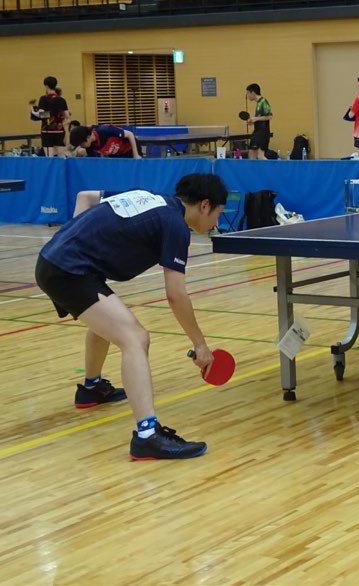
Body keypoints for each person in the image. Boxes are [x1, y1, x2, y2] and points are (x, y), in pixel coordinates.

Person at [34, 173, 228, 460]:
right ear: (204, 205)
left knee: (108, 323)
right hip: (69, 271)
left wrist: (73, 241)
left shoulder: (150, 198)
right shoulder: (175, 225)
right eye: (218, 214)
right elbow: (176, 295)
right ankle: (147, 436)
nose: (216, 223)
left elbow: (85, 197)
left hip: (55, 259)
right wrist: (200, 344)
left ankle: (91, 388)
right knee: (136, 338)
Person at [28, 75, 70, 157]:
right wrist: (61, 125)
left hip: (47, 131)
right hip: (59, 132)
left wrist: (32, 111)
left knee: (49, 157)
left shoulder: (44, 99)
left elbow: (42, 115)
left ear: (46, 86)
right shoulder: (62, 100)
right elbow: (68, 118)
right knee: (62, 156)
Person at [69, 122, 142, 158]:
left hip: (130, 148)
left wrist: (136, 155)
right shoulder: (90, 146)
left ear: (87, 138)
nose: (81, 146)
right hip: (117, 154)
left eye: (81, 144)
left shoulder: (105, 130)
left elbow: (130, 135)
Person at [244, 83, 273, 160]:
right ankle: (252, 168)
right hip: (257, 132)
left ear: (253, 92)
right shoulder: (258, 103)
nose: (247, 96)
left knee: (260, 155)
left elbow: (270, 116)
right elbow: (260, 118)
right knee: (251, 154)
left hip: (263, 132)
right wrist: (252, 121)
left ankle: (270, 167)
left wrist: (256, 119)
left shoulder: (263, 101)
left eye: (248, 93)